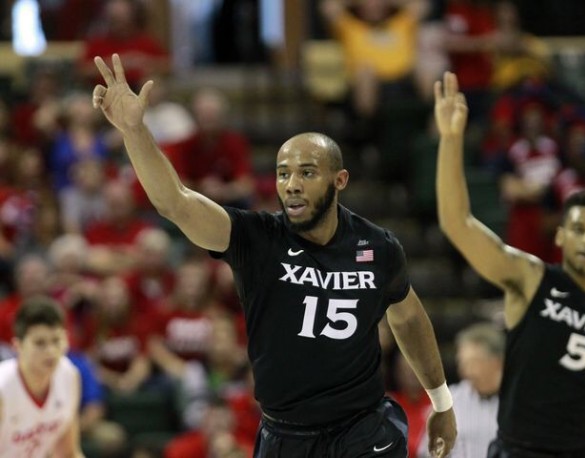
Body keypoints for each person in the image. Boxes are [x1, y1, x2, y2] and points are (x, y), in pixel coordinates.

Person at [92, 53, 457, 458]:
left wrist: (441, 401)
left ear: (339, 181)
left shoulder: (378, 246)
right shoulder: (258, 238)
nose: (292, 184)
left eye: (307, 172)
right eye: (283, 173)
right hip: (286, 434)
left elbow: (407, 316)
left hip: (363, 429)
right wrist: (135, 131)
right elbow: (174, 203)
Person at [435, 71, 585, 457]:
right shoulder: (531, 278)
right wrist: (450, 140)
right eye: (579, 229)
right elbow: (457, 223)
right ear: (561, 235)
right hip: (520, 449)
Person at [0, 296, 84, 457]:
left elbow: (68, 453)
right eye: (40, 343)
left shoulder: (69, 375)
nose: (51, 351)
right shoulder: (3, 390)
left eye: (56, 340)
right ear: (18, 346)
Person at [418, 322, 504, 457]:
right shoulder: (450, 399)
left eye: (472, 363)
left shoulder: (519, 401)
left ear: (496, 362)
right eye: (461, 363)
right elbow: (427, 453)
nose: (464, 371)